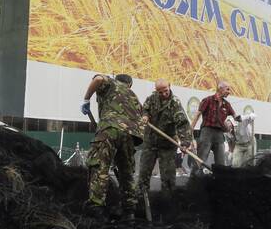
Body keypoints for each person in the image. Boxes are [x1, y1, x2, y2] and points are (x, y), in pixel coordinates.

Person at [81, 73, 145, 219]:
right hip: (130, 135)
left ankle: (96, 209)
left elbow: (97, 79)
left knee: (99, 166)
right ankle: (130, 212)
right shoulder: (134, 96)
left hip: (109, 129)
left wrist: (86, 99)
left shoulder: (112, 83)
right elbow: (142, 118)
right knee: (126, 172)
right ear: (130, 85)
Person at [136, 79, 193, 202]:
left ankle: (167, 204)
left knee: (167, 178)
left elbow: (182, 124)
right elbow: (144, 109)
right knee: (143, 174)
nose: (163, 94)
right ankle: (141, 202)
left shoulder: (175, 103)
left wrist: (185, 143)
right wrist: (145, 115)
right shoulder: (152, 98)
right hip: (150, 141)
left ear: (169, 86)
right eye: (160, 92)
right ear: (156, 90)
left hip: (167, 144)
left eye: (165, 91)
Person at [190, 81, 238, 167]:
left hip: (219, 134)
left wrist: (242, 119)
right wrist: (190, 129)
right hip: (207, 132)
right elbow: (197, 115)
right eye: (227, 89)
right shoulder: (208, 100)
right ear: (220, 88)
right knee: (200, 159)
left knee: (221, 162)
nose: (229, 92)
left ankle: (219, 179)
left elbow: (236, 117)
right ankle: (195, 178)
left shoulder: (227, 105)